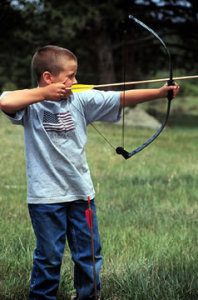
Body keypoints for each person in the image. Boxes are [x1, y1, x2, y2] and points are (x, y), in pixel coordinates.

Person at [0, 45, 179, 300]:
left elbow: (120, 97)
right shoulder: (31, 106)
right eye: (69, 76)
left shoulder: (80, 100)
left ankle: (88, 295)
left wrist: (161, 93)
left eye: (75, 76)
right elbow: (5, 101)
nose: (75, 81)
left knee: (88, 253)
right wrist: (43, 94)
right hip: (45, 199)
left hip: (81, 194)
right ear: (48, 77)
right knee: (49, 256)